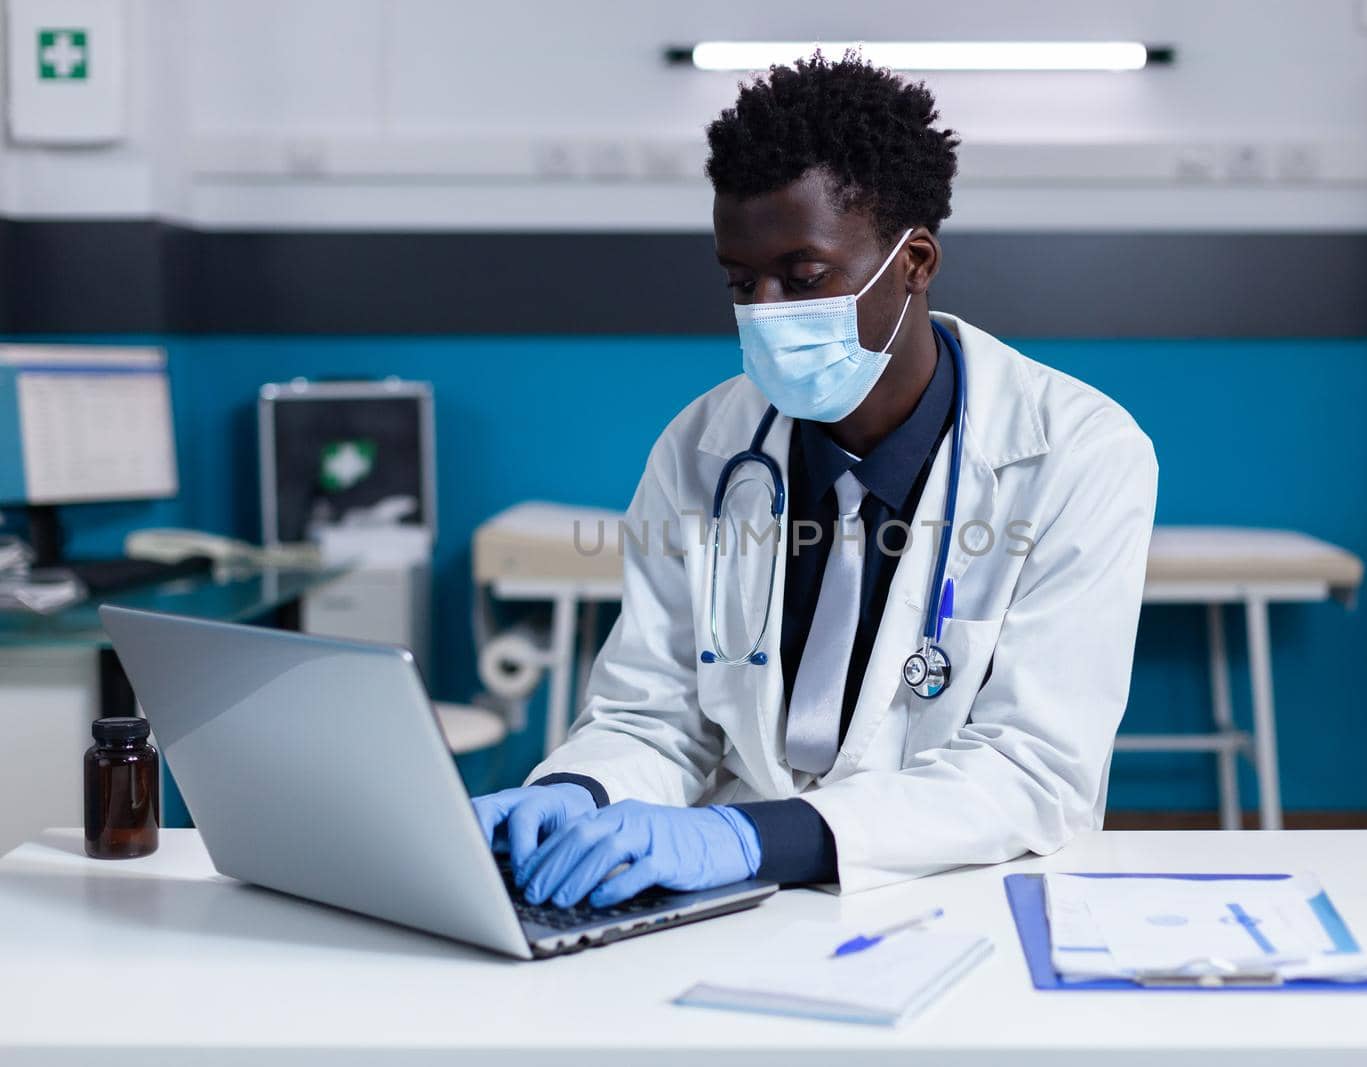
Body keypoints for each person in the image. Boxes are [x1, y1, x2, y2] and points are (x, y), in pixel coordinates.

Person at [473, 53, 1157, 907]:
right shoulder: (702, 448)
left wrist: (746, 836)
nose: (763, 310)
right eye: (738, 280)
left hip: (961, 897)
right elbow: (652, 715)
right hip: (726, 905)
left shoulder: (1076, 452)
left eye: (803, 279)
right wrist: (570, 796)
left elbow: (1031, 768)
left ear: (914, 261)